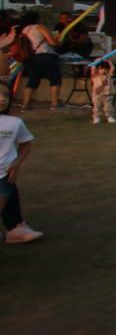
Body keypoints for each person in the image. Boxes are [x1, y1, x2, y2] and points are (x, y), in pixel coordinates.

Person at [0, 83, 42, 243]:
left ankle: (15, 229)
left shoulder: (14, 123)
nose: (2, 99)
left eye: (6, 96)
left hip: (4, 174)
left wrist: (17, 163)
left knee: (8, 193)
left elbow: (26, 144)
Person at [17, 13, 63, 112]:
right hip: (44, 56)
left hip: (29, 59)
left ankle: (25, 105)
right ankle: (55, 104)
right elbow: (52, 43)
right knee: (55, 78)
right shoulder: (39, 27)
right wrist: (58, 40)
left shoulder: (24, 30)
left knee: (32, 81)